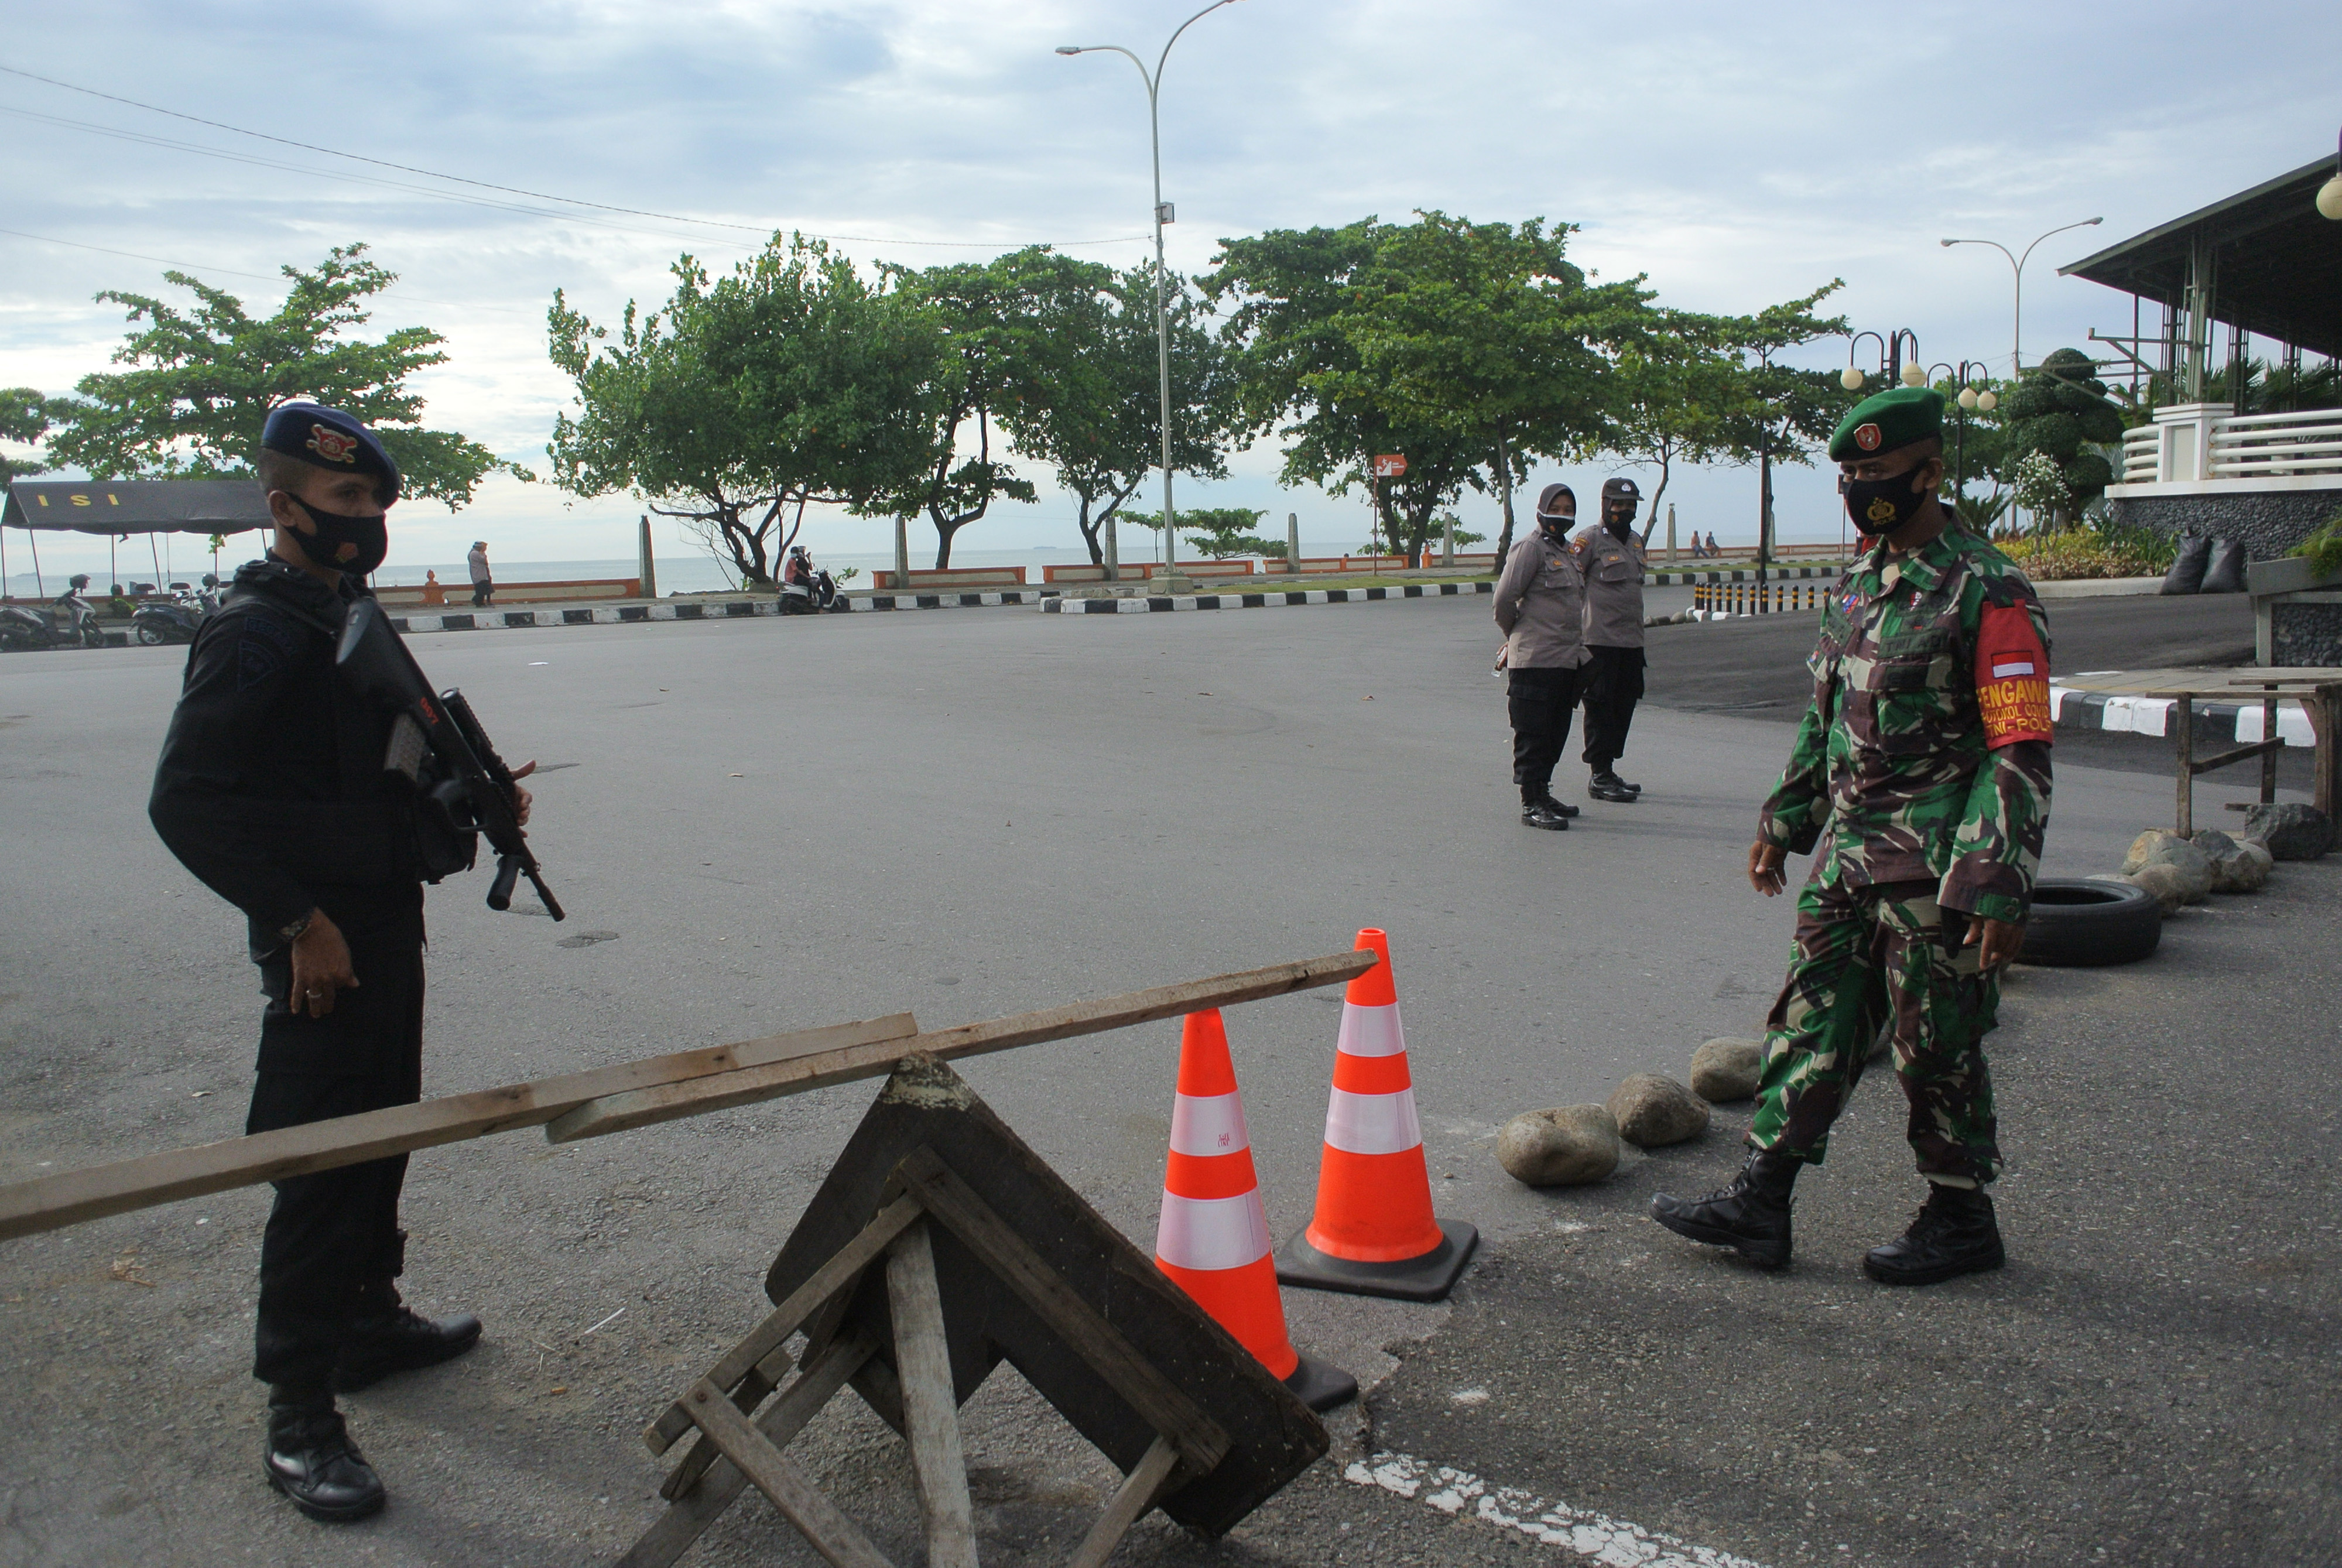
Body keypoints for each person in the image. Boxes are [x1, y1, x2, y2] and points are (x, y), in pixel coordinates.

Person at [149, 403, 530, 1522]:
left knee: (385, 1123)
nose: (364, 521)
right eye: (345, 501)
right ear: (284, 506)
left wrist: (472, 790)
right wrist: (291, 919)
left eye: (374, 503)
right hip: (321, 941)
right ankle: (299, 1410)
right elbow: (185, 801)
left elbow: (372, 758)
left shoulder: (340, 609)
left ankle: (366, 1317)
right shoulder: (256, 631)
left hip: (382, 917)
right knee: (319, 1160)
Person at [1647, 386, 2053, 1287]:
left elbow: (2017, 746)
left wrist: (1996, 876)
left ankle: (1961, 1215)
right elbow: (1826, 714)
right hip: (1852, 857)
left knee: (1933, 1044)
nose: (1863, 488)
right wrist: (1785, 820)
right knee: (1810, 1020)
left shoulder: (1988, 589)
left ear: (1932, 472)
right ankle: (1761, 1202)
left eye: (1878, 472)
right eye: (1852, 474)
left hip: (1936, 868)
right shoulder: (1861, 582)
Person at [1492, 483, 1591, 830]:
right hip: (1534, 660)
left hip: (1565, 660)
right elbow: (1504, 600)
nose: (1562, 515)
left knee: (1556, 731)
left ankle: (1544, 791)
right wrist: (1517, 637)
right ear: (1542, 508)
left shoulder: (1567, 553)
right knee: (1533, 734)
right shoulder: (1529, 549)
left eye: (1568, 509)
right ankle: (1531, 801)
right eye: (1557, 508)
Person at [1573, 478, 1649, 804]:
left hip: (1631, 641)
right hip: (1598, 640)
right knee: (1601, 707)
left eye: (1631, 505)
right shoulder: (1588, 540)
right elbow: (1570, 582)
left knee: (1625, 705)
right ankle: (1599, 775)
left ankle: (1610, 767)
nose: (1625, 510)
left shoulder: (1635, 541)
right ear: (1605, 504)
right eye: (1619, 504)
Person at [467, 540, 492, 607]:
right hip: (479, 574)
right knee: (481, 590)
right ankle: (478, 601)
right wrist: (483, 553)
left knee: (481, 589)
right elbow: (484, 560)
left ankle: (480, 602)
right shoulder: (476, 553)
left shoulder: (472, 553)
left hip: (478, 574)